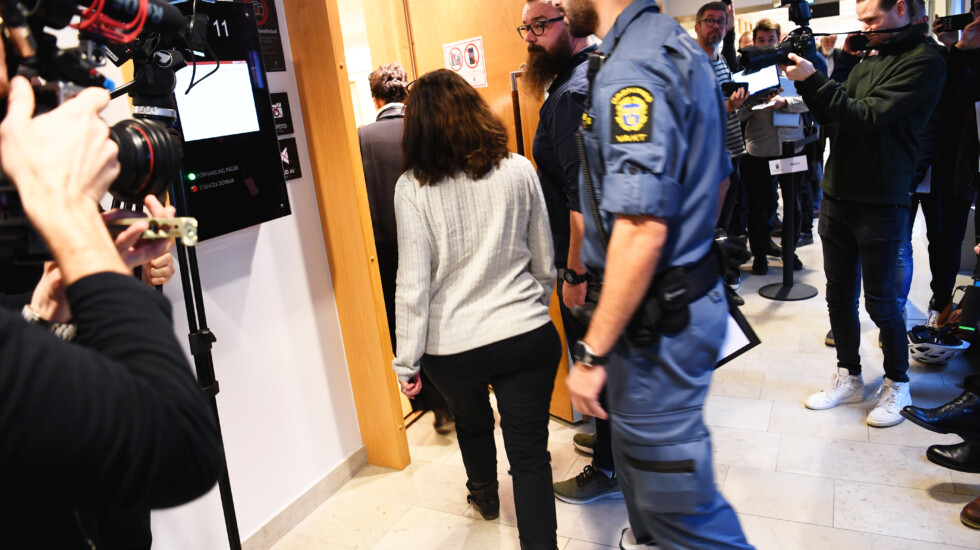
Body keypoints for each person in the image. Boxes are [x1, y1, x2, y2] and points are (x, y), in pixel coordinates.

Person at [553, 0, 753, 548]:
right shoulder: (672, 45)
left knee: (682, 513)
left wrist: (592, 353)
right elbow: (718, 182)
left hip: (656, 321)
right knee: (654, 488)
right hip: (676, 300)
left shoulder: (633, 68)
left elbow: (641, 229)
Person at [0, 75, 223, 548]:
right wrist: (86, 251)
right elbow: (181, 447)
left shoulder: (46, 176)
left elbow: (68, 279)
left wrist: (123, 276)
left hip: (98, 427)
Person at [391, 69, 562, 550]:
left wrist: (406, 361)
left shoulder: (412, 188)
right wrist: (530, 308)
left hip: (453, 347)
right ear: (476, 110)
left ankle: (484, 496)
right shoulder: (519, 169)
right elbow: (544, 259)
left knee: (471, 421)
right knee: (530, 456)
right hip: (525, 333)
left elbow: (413, 284)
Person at [783, 0, 945, 427]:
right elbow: (831, 115)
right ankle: (849, 375)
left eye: (872, 19)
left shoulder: (926, 61)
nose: (865, 27)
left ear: (902, 8)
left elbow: (863, 117)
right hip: (837, 194)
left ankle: (897, 383)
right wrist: (809, 78)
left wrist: (814, 77)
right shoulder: (869, 56)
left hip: (881, 199)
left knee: (883, 303)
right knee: (838, 297)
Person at [518, 0, 621, 504]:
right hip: (607, 251)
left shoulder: (571, 94)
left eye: (540, 26)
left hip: (592, 260)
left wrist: (575, 272)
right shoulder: (589, 75)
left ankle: (609, 468)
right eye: (526, 28)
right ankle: (608, 444)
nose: (531, 39)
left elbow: (583, 197)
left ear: (571, 23)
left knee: (599, 361)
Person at [357, 62, 453, 433]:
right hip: (433, 239)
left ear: (375, 98)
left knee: (403, 319)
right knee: (439, 310)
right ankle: (452, 391)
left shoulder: (361, 138)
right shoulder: (425, 129)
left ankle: (426, 397)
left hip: (385, 247)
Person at [739, 19, 809, 276]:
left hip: (792, 147)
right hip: (759, 150)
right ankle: (760, 256)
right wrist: (752, 101)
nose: (766, 45)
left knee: (794, 207)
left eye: (771, 40)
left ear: (779, 41)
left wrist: (785, 103)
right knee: (760, 207)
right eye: (761, 40)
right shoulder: (746, 75)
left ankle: (790, 252)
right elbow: (737, 115)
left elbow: (810, 101)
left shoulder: (796, 69)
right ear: (755, 42)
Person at [695, 1, 749, 303]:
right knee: (710, 224)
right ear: (697, 26)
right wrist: (726, 107)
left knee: (725, 223)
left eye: (721, 21)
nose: (716, 26)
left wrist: (747, 100)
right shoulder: (691, 65)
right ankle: (711, 286)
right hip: (708, 158)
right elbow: (689, 116)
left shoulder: (721, 60)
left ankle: (722, 280)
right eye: (710, 21)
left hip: (732, 150)